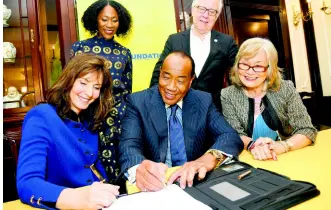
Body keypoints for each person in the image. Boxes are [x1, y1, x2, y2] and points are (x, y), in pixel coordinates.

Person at [119, 51, 243, 192]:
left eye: (180, 81)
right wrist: (139, 170)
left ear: (190, 81)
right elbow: (129, 145)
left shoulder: (203, 101)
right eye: (166, 77)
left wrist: (206, 160)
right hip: (157, 185)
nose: (171, 87)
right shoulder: (138, 101)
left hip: (194, 183)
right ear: (160, 73)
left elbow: (229, 135)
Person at [16, 54, 120, 209]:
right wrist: (74, 197)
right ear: (69, 80)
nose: (90, 93)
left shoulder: (89, 119)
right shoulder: (42, 116)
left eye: (96, 87)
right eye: (83, 83)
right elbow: (27, 184)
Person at [221, 37, 317, 161]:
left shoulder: (286, 88)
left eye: (258, 66)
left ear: (269, 68)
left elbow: (307, 129)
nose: (250, 72)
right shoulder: (228, 94)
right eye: (245, 64)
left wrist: (282, 146)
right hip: (250, 159)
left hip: (288, 156)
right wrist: (253, 145)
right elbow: (234, 134)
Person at [70, 0, 133, 183]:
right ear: (95, 20)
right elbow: (71, 86)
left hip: (117, 121)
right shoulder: (80, 49)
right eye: (104, 19)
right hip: (88, 117)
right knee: (90, 165)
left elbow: (127, 90)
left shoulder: (125, 53)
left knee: (120, 168)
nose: (110, 25)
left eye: (114, 20)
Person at [149, 0, 238, 111]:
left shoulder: (226, 42)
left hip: (211, 110)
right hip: (176, 108)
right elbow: (159, 74)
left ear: (217, 16)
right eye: (201, 9)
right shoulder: (174, 40)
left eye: (212, 11)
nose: (205, 15)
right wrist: (154, 107)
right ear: (193, 9)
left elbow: (239, 74)